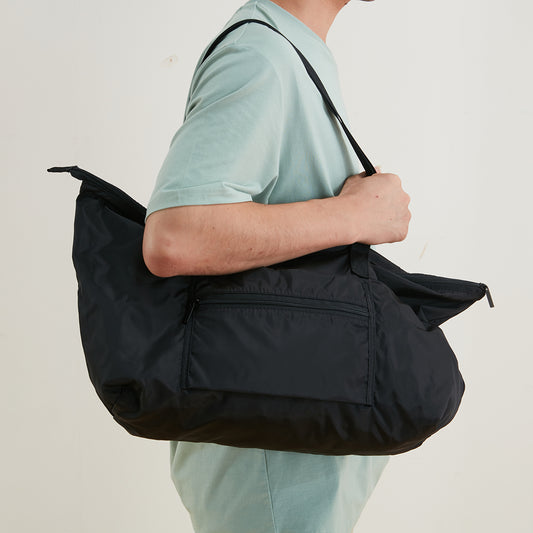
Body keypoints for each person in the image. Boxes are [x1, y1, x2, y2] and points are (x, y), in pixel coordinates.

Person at [143, 0, 411, 531]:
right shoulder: (260, 57)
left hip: (291, 457)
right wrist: (355, 215)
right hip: (272, 474)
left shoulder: (291, 50)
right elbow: (176, 236)